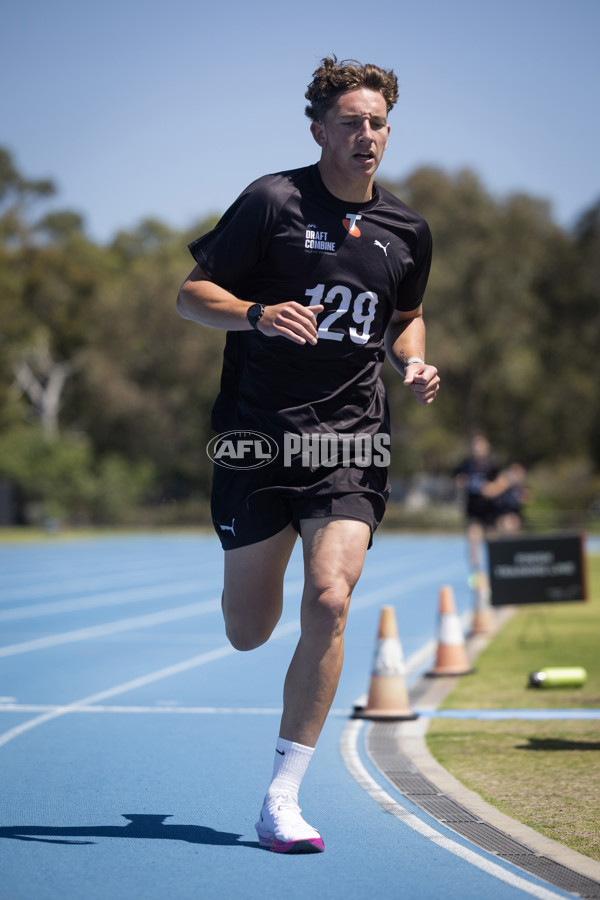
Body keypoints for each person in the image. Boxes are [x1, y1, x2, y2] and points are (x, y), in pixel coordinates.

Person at [177, 55, 440, 854]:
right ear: (320, 128)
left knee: (329, 597)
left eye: (379, 123)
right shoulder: (272, 201)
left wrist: (413, 359)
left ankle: (282, 798)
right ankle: (245, 584)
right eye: (352, 122)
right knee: (249, 629)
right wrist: (256, 313)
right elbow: (193, 294)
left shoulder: (407, 230)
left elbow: (408, 315)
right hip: (258, 438)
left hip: (351, 439)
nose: (367, 136)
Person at [454, 433, 500, 585]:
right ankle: (476, 574)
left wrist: (491, 489)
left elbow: (501, 484)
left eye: (480, 446)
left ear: (487, 447)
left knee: (492, 542)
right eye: (475, 446)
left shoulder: (493, 466)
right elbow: (458, 480)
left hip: (490, 509)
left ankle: (496, 572)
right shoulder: (466, 465)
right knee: (473, 541)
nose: (477, 449)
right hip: (473, 509)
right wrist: (463, 483)